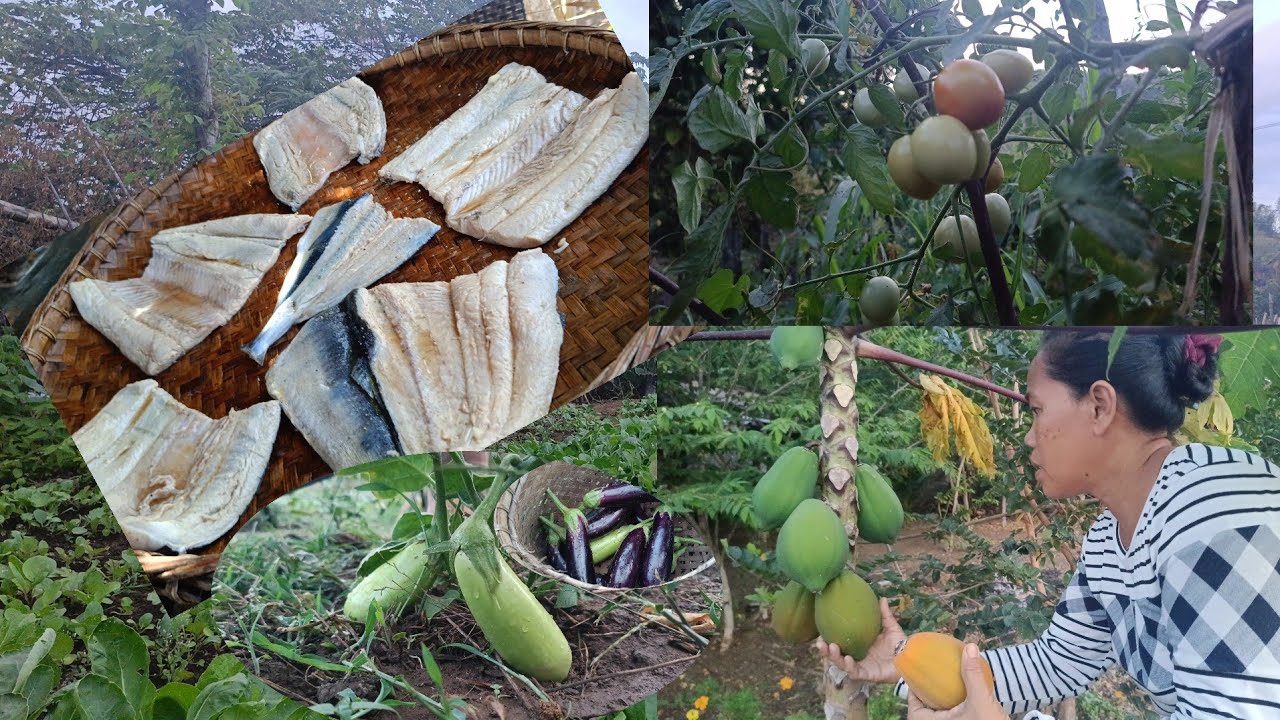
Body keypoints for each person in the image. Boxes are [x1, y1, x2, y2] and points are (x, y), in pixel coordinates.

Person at [816, 331, 1280, 719]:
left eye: (1036, 410)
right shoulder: (1109, 539)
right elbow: (1059, 662)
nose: (1028, 434)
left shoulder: (1218, 516)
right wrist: (908, 663)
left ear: (1099, 406)